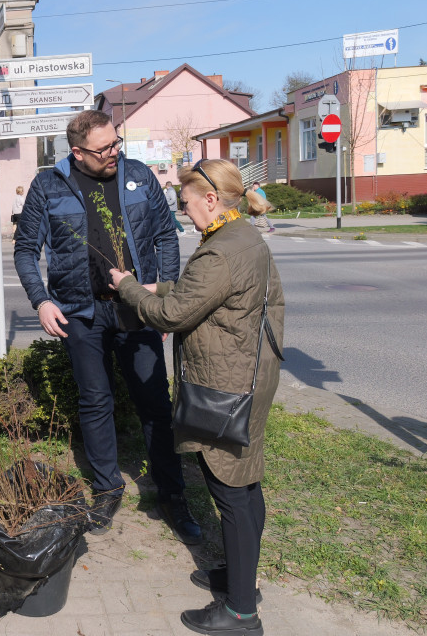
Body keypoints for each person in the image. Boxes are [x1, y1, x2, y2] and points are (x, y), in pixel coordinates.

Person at [108, 158, 284, 636]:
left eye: (186, 203)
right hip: (250, 373)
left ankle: (242, 613)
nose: (184, 211)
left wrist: (127, 287)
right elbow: (203, 291)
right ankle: (241, 580)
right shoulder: (241, 236)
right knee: (246, 484)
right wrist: (158, 285)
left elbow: (172, 316)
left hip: (224, 383)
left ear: (211, 199)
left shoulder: (220, 252)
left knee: (230, 491)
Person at [13, 109, 202, 544]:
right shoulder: (49, 185)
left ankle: (172, 494)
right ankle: (106, 488)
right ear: (77, 153)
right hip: (81, 312)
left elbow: (165, 238)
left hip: (138, 309)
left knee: (154, 401)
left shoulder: (137, 175)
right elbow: (26, 250)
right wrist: (41, 301)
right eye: (104, 149)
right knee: (95, 401)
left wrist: (164, 297)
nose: (114, 153)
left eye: (116, 143)